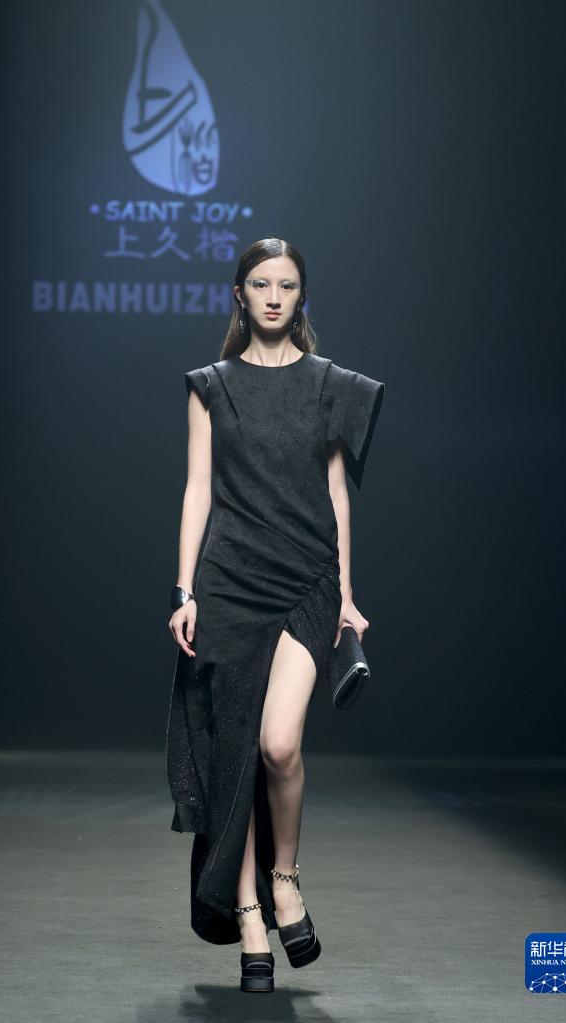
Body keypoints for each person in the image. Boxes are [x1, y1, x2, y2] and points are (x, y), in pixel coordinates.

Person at [166, 236, 385, 993]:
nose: (272, 297)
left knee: (279, 744)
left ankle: (285, 876)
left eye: (286, 285)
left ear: (301, 297)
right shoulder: (210, 386)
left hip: (306, 578)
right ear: (239, 294)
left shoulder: (332, 385)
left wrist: (346, 595)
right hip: (230, 582)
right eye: (260, 284)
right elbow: (198, 489)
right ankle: (251, 912)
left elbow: (337, 494)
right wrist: (184, 590)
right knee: (236, 755)